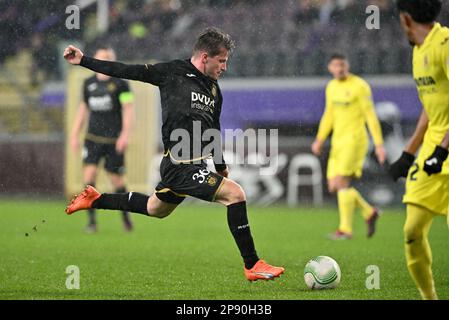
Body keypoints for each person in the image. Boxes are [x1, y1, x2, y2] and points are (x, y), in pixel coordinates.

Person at [63, 28, 284, 281]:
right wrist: (84, 60)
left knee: (155, 208)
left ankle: (95, 199)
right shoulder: (172, 72)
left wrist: (220, 165)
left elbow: (213, 130)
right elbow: (127, 70)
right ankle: (252, 264)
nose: (224, 67)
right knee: (235, 194)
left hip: (191, 165)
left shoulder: (214, 91)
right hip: (180, 165)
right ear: (204, 57)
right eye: (221, 61)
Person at [389, 0, 449, 300]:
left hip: (443, 148)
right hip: (433, 149)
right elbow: (431, 105)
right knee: (412, 231)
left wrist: (443, 148)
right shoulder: (418, 51)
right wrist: (409, 153)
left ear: (406, 18)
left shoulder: (446, 44)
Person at [311, 54, 386, 240]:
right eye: (336, 65)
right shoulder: (331, 87)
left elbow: (370, 115)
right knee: (333, 186)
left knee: (340, 183)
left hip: (355, 141)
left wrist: (379, 145)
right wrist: (320, 139)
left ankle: (345, 230)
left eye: (343, 65)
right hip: (338, 142)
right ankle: (369, 212)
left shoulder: (360, 86)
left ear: (348, 66)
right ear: (330, 67)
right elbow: (329, 115)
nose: (340, 68)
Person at [70, 46, 134, 233]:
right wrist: (75, 135)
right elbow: (83, 110)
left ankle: (126, 218)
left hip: (114, 140)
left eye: (107, 58)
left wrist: (125, 135)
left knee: (117, 181)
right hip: (92, 139)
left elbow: (128, 109)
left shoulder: (121, 84)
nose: (104, 61)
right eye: (101, 58)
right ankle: (91, 222)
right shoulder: (88, 84)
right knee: (89, 178)